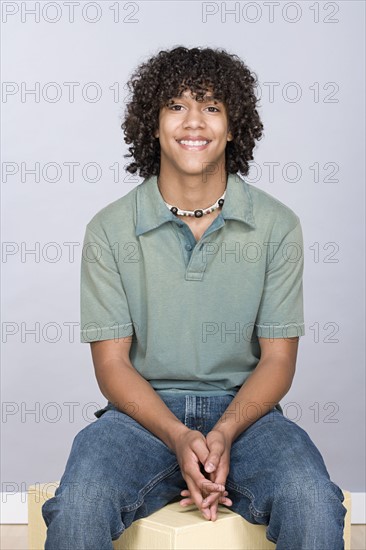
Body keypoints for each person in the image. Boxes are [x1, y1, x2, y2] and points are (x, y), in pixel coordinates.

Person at [42, 46, 346, 549]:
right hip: (139, 416)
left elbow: (278, 360)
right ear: (154, 125)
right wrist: (179, 436)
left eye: (211, 107)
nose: (194, 122)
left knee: (310, 498)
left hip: (247, 416)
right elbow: (112, 365)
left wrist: (223, 433)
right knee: (80, 503)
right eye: (177, 106)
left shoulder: (276, 225)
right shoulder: (109, 229)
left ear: (233, 126)